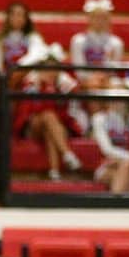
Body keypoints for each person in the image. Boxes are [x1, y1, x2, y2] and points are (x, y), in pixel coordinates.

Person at [12, 45, 85, 181]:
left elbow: (68, 116)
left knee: (50, 127)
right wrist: (44, 89)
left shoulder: (65, 86)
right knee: (48, 116)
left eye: (54, 69)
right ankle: (67, 153)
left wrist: (55, 90)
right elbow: (27, 112)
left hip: (57, 127)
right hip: (32, 126)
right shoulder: (30, 83)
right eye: (47, 69)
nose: (51, 73)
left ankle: (54, 172)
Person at [90, 77, 129, 193]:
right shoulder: (99, 119)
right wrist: (128, 159)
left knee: (126, 166)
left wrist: (123, 160)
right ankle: (121, 202)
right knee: (122, 173)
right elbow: (107, 150)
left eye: (119, 94)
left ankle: (113, 203)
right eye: (112, 94)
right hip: (108, 165)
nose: (115, 99)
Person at [70, 0, 124, 90]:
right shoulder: (78, 41)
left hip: (107, 83)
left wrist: (102, 79)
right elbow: (79, 69)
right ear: (88, 18)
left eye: (103, 17)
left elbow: (114, 68)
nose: (99, 20)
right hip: (85, 83)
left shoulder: (116, 43)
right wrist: (92, 79)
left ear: (109, 19)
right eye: (95, 17)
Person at [0, 1, 47, 78]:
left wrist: (17, 70)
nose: (16, 18)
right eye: (13, 14)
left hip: (26, 76)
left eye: (19, 15)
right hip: (5, 77)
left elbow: (35, 56)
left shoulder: (33, 37)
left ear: (26, 19)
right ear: (8, 17)